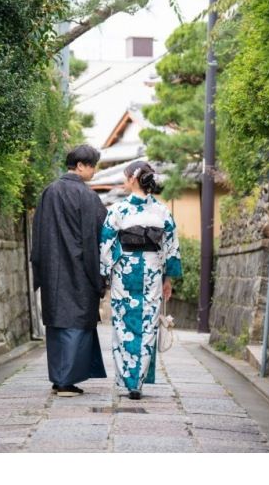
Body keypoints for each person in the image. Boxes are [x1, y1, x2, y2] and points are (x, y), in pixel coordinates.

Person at [99, 160, 182, 400]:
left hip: (124, 273)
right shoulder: (162, 211)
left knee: (124, 323)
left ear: (133, 179)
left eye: (125, 177)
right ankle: (139, 381)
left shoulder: (118, 210)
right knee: (147, 322)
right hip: (153, 272)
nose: (124, 181)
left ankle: (128, 378)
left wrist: (106, 272)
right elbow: (171, 248)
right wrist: (167, 279)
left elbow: (106, 245)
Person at [31, 145, 109, 397]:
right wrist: (102, 275)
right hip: (80, 272)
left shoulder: (49, 192)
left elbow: (38, 233)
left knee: (57, 324)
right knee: (77, 323)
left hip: (53, 270)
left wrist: (40, 266)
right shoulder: (88, 197)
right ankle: (66, 381)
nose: (94, 171)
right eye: (93, 165)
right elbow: (102, 234)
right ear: (81, 166)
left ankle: (58, 378)